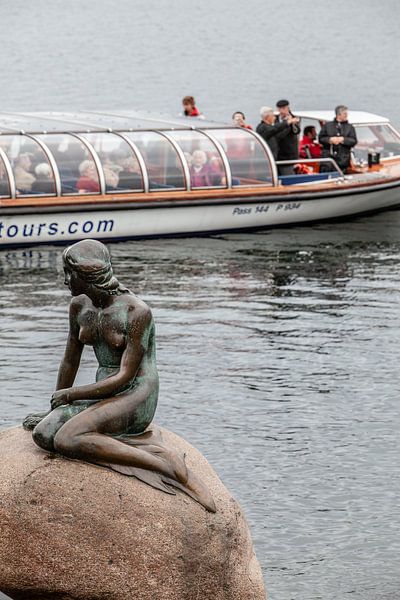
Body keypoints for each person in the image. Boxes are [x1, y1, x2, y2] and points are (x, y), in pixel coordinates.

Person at [23, 239, 215, 512]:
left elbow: (125, 376)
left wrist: (72, 395)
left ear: (89, 275)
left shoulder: (136, 312)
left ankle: (166, 465)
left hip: (135, 392)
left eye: (70, 273)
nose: (65, 280)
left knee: (66, 438)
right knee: (43, 434)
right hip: (103, 389)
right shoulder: (79, 306)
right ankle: (103, 439)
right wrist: (56, 406)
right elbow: (70, 359)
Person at [319, 105, 357, 172]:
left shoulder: (350, 127)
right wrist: (330, 140)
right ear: (339, 115)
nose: (346, 115)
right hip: (328, 160)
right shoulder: (327, 126)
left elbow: (354, 141)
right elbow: (321, 138)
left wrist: (343, 140)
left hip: (343, 160)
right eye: (345, 114)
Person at [275, 99, 301, 174]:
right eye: (280, 109)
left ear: (288, 108)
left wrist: (291, 123)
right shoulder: (274, 119)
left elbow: (296, 131)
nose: (282, 111)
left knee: (288, 174)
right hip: (277, 153)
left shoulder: (294, 118)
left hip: (288, 154)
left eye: (284, 108)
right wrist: (285, 123)